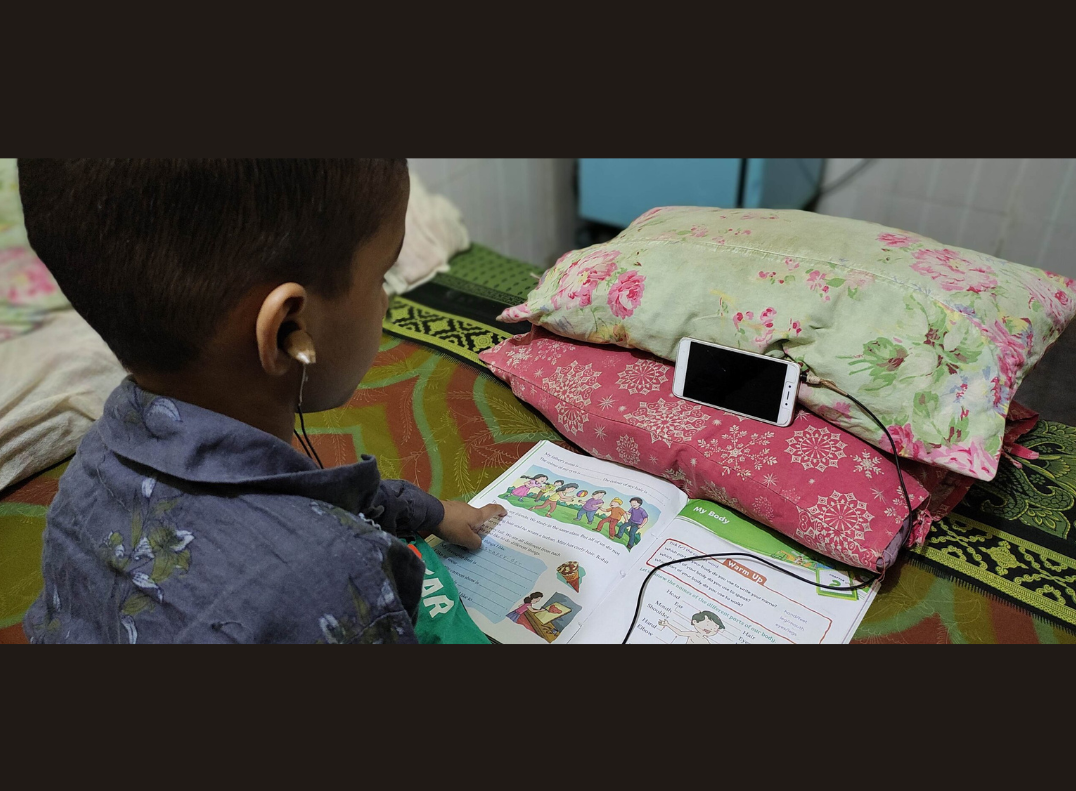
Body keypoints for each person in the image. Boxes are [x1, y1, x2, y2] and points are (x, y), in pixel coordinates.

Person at [18, 159, 505, 644]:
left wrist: (432, 513)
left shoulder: (89, 468)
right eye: (382, 276)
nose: (387, 301)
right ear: (288, 332)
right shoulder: (336, 576)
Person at [658, 611, 725, 644]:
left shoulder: (705, 641)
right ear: (695, 622)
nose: (711, 629)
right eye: (708, 625)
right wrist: (667, 624)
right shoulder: (693, 634)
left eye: (715, 629)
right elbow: (680, 632)